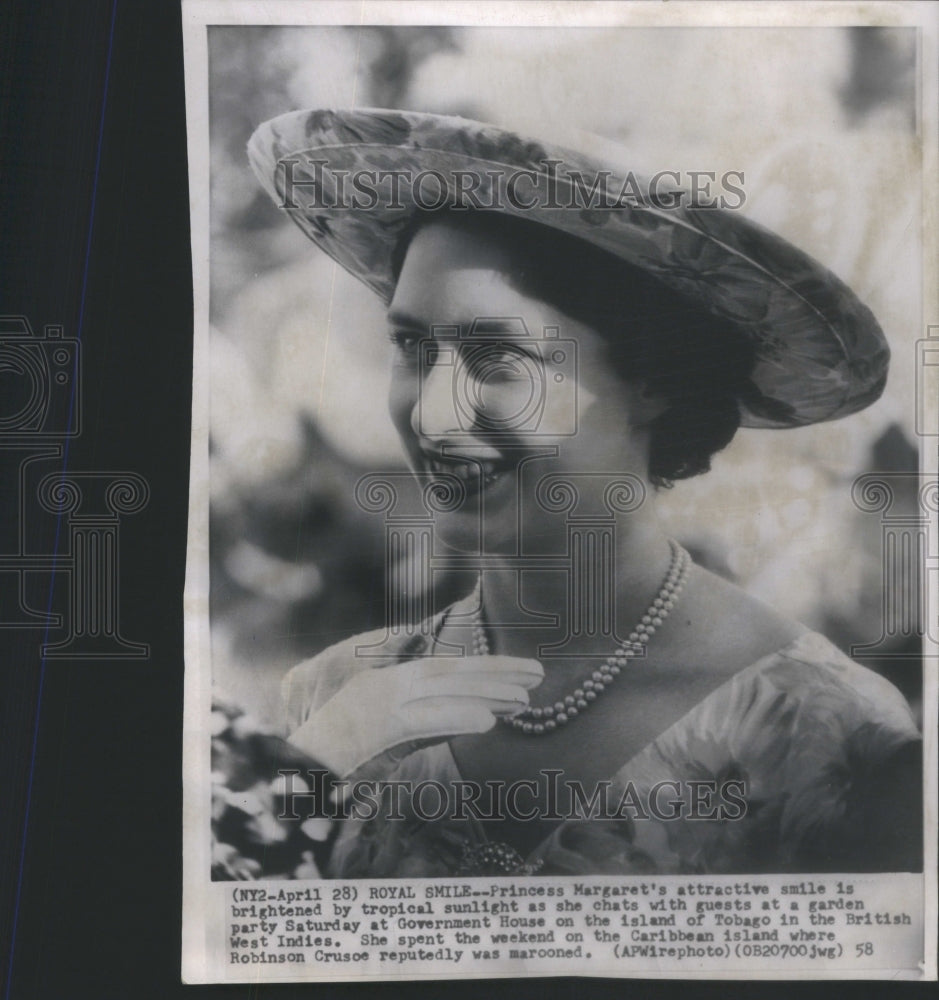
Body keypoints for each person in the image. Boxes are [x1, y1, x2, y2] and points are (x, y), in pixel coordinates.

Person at [244, 108, 922, 877]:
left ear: (654, 380)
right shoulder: (327, 699)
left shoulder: (826, 734)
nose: (432, 414)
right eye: (409, 346)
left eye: (495, 356)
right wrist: (310, 772)